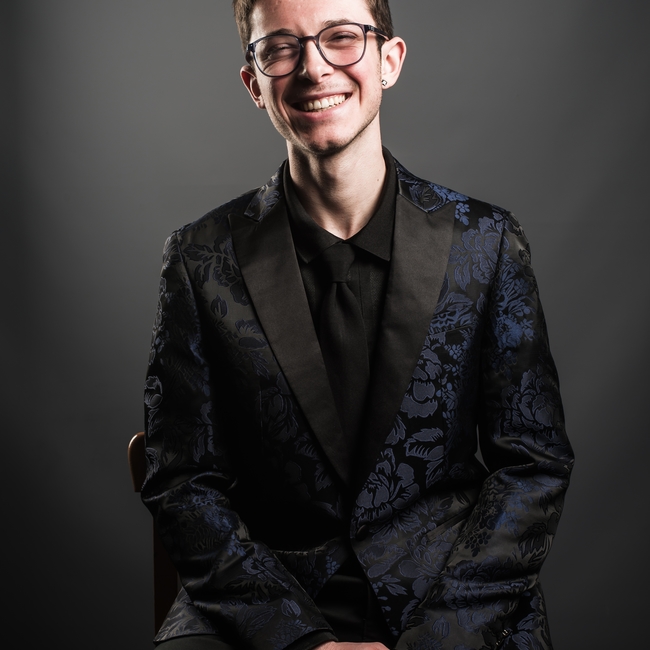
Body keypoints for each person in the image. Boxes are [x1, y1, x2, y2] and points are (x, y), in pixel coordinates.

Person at [141, 1, 574, 648]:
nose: (313, 68)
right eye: (280, 47)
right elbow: (182, 481)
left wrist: (438, 636)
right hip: (267, 597)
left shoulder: (486, 242)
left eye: (341, 37)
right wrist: (298, 639)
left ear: (389, 60)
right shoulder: (199, 258)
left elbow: (534, 465)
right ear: (254, 83)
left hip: (448, 595)